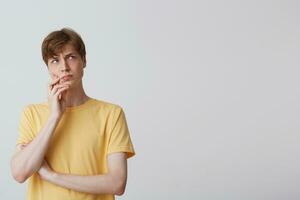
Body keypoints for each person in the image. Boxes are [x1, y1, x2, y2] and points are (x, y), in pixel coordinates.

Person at [10, 28, 135, 200]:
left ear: (84, 60)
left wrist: (51, 176)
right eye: (55, 60)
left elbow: (117, 183)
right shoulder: (32, 113)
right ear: (48, 68)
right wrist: (54, 116)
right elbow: (19, 173)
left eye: (71, 57)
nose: (64, 67)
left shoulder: (111, 114)